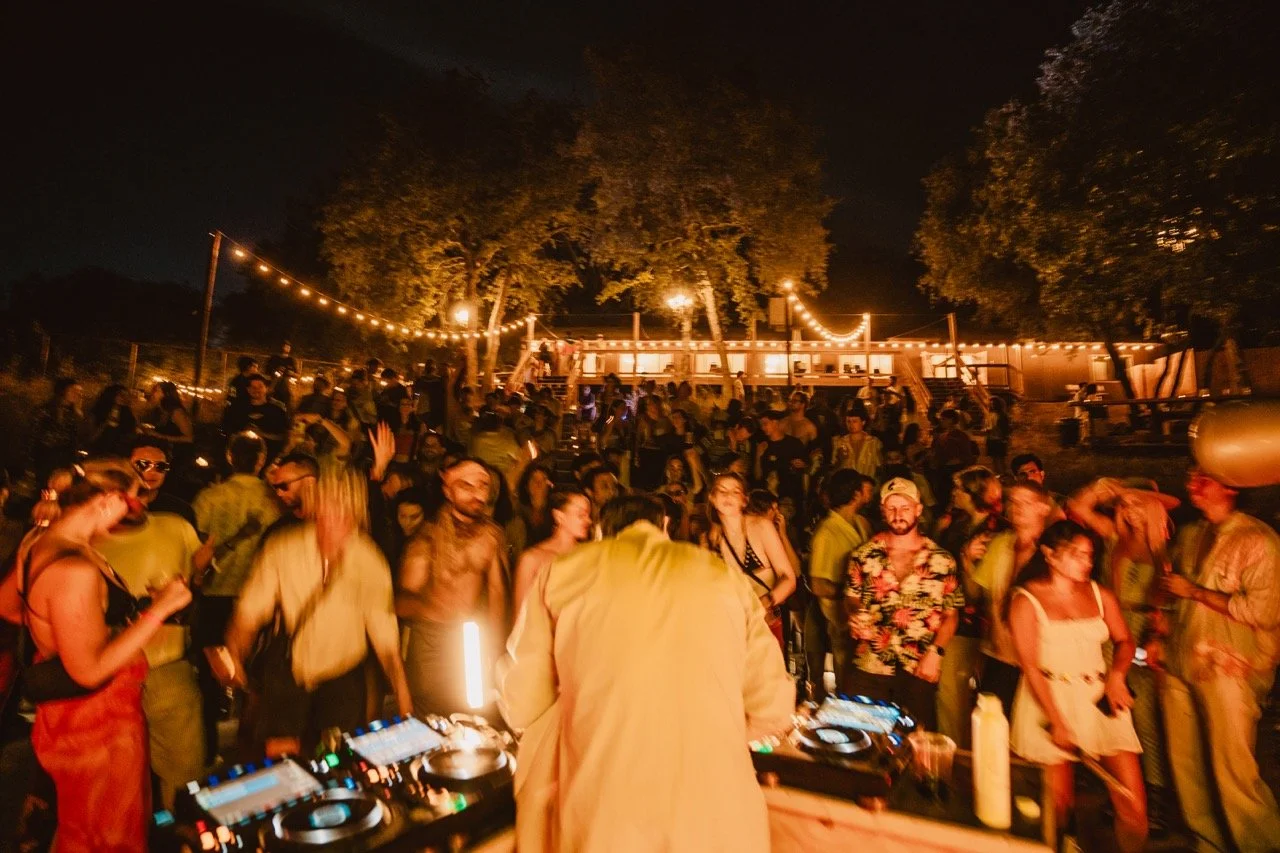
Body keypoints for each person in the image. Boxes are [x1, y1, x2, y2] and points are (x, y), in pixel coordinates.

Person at [497, 494, 794, 853]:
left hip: (605, 804)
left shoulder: (563, 572)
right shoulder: (722, 576)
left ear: (601, 532)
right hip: (714, 805)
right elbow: (773, 704)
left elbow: (523, 698)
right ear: (664, 526)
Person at [0, 460, 192, 851]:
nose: (135, 512)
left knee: (81, 825)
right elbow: (88, 671)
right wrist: (161, 609)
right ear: (106, 501)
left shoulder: (38, 541)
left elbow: (8, 606)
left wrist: (61, 626)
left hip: (68, 716)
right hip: (97, 725)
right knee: (108, 834)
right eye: (132, 503)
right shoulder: (74, 568)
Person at [223, 465, 412, 754]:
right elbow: (249, 613)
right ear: (315, 509)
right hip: (289, 669)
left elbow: (386, 643)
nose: (332, 521)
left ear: (356, 516)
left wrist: (404, 702)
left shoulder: (370, 561)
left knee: (336, 755)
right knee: (282, 756)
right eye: (326, 510)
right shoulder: (283, 548)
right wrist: (235, 654)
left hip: (342, 675)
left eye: (343, 513)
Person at [1154, 468, 1280, 853]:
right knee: (1187, 767)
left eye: (1203, 479)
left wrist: (1194, 592)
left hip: (1230, 669)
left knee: (1234, 773)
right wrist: (1160, 634)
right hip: (1180, 661)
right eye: (1190, 476)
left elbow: (1263, 612)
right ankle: (1208, 843)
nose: (1191, 484)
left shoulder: (1258, 540)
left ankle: (1261, 846)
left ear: (1230, 485)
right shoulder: (1191, 534)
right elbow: (1171, 594)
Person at [1008, 520, 1147, 853]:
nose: (1087, 562)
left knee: (1133, 805)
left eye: (1089, 555)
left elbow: (1125, 641)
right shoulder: (1026, 600)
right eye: (1077, 555)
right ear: (1050, 555)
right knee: (1058, 806)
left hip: (1099, 697)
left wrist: (1117, 676)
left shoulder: (1100, 594)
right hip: (1049, 700)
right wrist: (1057, 721)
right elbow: (1030, 667)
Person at [95, 453, 213, 808]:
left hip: (168, 668)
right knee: (115, 780)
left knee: (184, 774)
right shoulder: (85, 541)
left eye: (140, 493)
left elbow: (197, 584)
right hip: (109, 676)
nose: (137, 501)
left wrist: (197, 576)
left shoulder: (176, 526)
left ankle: (179, 829)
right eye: (127, 493)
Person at [1067, 476, 1179, 824]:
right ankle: (1118, 789)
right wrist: (1099, 487)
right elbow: (1076, 507)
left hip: (1143, 634)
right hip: (1109, 631)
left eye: (1137, 504)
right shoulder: (1115, 537)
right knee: (1109, 712)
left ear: (1152, 508)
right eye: (1125, 504)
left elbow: (1170, 602)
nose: (1130, 510)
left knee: (1144, 716)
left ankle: (1156, 797)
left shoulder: (1164, 550)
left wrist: (1155, 638)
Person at [843, 477, 963, 730]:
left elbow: (951, 614)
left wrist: (936, 652)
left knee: (916, 742)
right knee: (860, 738)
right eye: (892, 508)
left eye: (905, 508)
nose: (898, 515)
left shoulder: (942, 560)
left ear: (918, 509)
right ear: (883, 511)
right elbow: (851, 596)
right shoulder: (863, 555)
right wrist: (854, 612)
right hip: (870, 664)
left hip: (918, 667)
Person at [396, 459, 508, 717]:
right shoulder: (427, 538)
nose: (477, 494)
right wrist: (433, 607)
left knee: (471, 714)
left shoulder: (491, 536)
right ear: (448, 490)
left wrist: (496, 646)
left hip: (469, 639)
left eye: (483, 486)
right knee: (432, 717)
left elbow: (498, 593)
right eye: (466, 486)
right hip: (431, 641)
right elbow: (400, 602)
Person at [191, 431, 279, 756]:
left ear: (229, 457)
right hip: (259, 600)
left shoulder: (209, 498)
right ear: (262, 459)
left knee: (209, 679)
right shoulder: (274, 498)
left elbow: (196, 550)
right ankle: (249, 750)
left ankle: (208, 749)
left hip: (215, 596)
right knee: (256, 680)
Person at [973, 479, 1054, 716]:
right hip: (998, 654)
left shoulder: (1054, 550)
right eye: (1013, 502)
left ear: (1043, 508)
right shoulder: (1000, 543)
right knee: (992, 723)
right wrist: (967, 560)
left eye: (1026, 502)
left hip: (1040, 659)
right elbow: (979, 594)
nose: (1016, 508)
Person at [703, 472, 796, 652]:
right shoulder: (710, 539)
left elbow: (789, 578)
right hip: (730, 630)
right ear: (712, 498)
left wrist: (765, 602)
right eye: (722, 491)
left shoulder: (761, 527)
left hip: (764, 626)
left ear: (744, 500)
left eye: (735, 491)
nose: (728, 496)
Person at [804, 470, 873, 699]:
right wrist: (849, 592)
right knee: (847, 676)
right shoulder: (826, 532)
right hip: (841, 619)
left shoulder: (861, 523)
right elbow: (817, 584)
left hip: (866, 618)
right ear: (856, 494)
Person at [512, 488, 592, 614]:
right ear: (559, 516)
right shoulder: (532, 559)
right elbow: (522, 614)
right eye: (581, 515)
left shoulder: (589, 555)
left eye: (589, 515)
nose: (588, 521)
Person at [29, 377, 85, 484]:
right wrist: (30, 463)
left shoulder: (74, 414)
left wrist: (75, 461)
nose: (78, 394)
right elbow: (32, 435)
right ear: (63, 391)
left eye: (80, 392)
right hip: (44, 457)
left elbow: (74, 440)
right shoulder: (44, 410)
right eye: (73, 391)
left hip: (64, 459)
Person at [221, 374, 290, 458]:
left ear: (266, 388)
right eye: (253, 387)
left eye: (260, 386)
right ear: (248, 389)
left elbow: (282, 436)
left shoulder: (276, 411)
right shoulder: (237, 409)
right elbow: (228, 432)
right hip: (241, 456)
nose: (256, 390)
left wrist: (261, 433)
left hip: (268, 455)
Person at [86, 384, 137, 457]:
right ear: (112, 395)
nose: (123, 398)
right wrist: (106, 422)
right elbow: (91, 436)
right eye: (121, 395)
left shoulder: (126, 412)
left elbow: (131, 430)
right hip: (99, 447)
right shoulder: (99, 410)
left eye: (126, 395)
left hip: (117, 451)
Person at [832, 407, 882, 480]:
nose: (851, 425)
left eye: (854, 421)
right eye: (848, 421)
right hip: (848, 483)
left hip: (867, 482)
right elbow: (834, 466)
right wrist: (840, 460)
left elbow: (879, 466)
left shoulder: (874, 442)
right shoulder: (840, 442)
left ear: (863, 422)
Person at [141, 381, 194, 447]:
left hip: (175, 450)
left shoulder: (177, 412)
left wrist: (159, 436)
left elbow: (189, 439)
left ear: (166, 394)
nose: (153, 394)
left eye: (157, 391)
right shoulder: (161, 410)